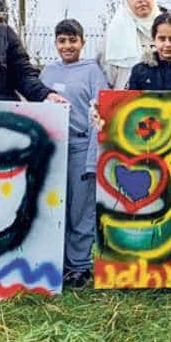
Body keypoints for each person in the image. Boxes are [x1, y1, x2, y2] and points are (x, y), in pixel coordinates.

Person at [40, 19, 107, 287]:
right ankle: (53, 261)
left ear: (82, 42)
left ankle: (78, 265)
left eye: (72, 40)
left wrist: (92, 159)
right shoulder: (48, 72)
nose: (67, 46)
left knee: (80, 209)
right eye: (62, 40)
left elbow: (99, 116)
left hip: (80, 147)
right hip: (54, 149)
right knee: (54, 206)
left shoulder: (92, 72)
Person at [100, 0, 159, 89]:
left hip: (165, 97)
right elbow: (106, 77)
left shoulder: (168, 28)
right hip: (125, 97)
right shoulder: (115, 33)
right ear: (125, 1)